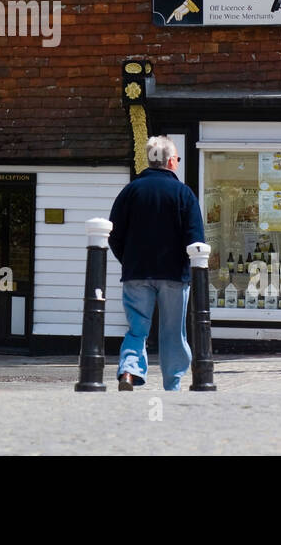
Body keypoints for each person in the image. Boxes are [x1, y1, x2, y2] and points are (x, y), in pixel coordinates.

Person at [108, 136, 205, 391]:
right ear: (172, 161)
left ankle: (129, 371)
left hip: (136, 272)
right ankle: (172, 384)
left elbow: (114, 234)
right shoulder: (183, 193)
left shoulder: (130, 191)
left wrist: (128, 259)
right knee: (173, 332)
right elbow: (196, 239)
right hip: (173, 274)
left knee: (137, 328)